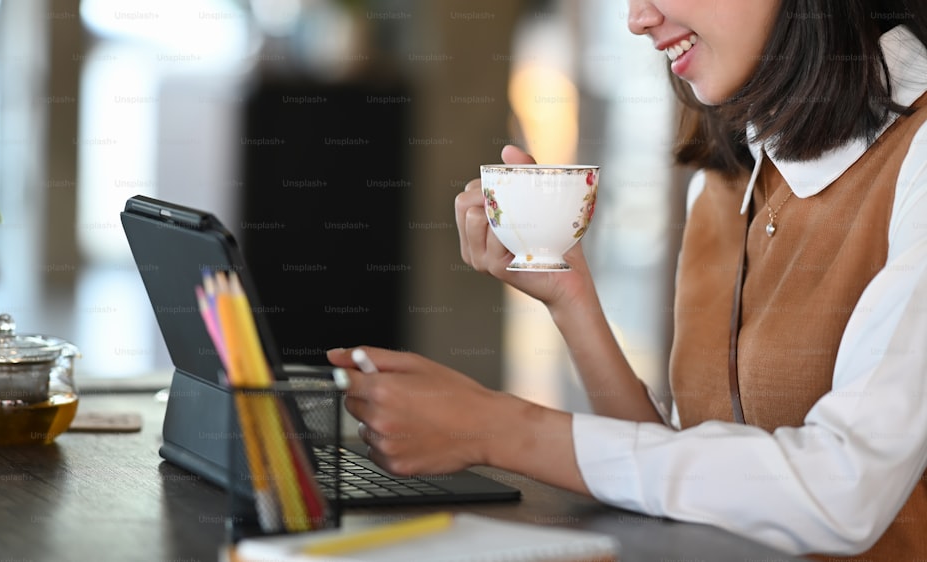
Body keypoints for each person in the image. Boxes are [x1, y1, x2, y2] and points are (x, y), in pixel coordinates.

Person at [326, 0, 927, 558]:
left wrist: (496, 429)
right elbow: (682, 478)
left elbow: (847, 486)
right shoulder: (723, 186)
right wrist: (570, 297)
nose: (639, 17)